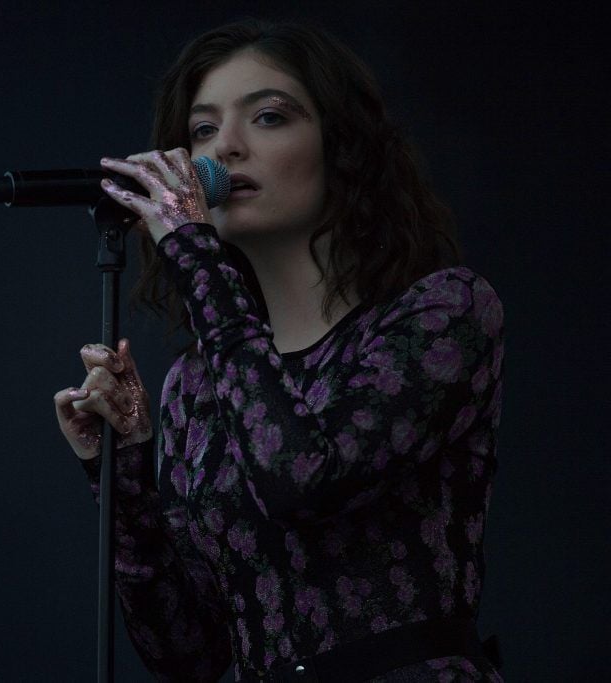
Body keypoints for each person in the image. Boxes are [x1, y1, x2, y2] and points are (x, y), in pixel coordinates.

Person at [53, 19, 504, 683]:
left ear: (342, 146)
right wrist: (121, 470)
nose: (224, 149)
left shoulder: (444, 313)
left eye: (267, 117)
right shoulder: (199, 387)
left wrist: (193, 253)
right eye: (202, 130)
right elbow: (191, 653)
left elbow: (299, 477)